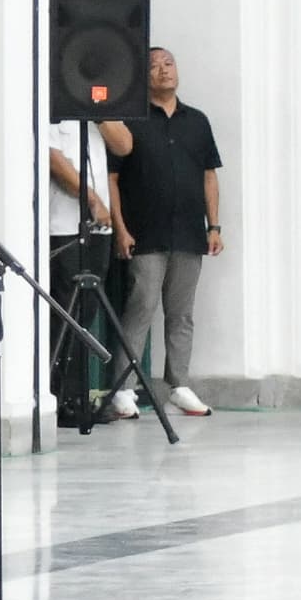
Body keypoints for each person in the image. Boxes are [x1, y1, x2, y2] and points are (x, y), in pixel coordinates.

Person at [105, 45, 222, 419]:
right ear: (143, 77)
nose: (163, 71)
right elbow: (112, 178)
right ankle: (123, 388)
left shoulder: (197, 121)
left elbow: (209, 175)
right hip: (144, 233)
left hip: (189, 232)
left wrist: (214, 225)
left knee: (182, 314)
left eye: (168, 64)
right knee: (141, 308)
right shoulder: (130, 121)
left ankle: (180, 384)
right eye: (154, 67)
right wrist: (120, 228)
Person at [44, 106, 130, 428]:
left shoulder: (98, 113)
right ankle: (58, 396)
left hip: (99, 229)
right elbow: (54, 158)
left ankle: (79, 395)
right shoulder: (54, 110)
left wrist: (99, 115)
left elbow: (124, 145)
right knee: (65, 313)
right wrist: (92, 200)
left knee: (87, 312)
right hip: (65, 226)